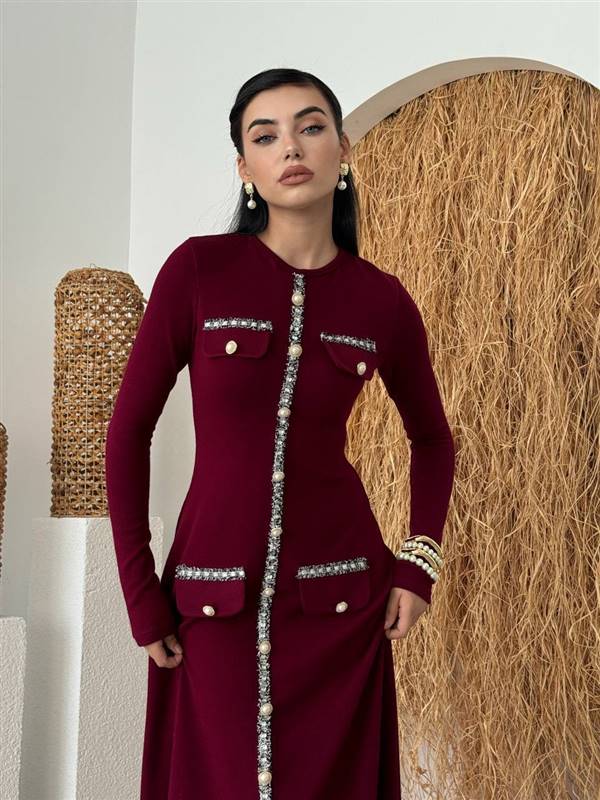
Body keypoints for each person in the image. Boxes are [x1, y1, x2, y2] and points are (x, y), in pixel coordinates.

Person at [105, 67, 455, 800]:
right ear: (245, 168)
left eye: (310, 127)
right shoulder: (198, 271)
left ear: (342, 149)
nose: (291, 147)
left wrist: (417, 567)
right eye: (265, 137)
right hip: (210, 600)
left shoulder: (382, 301)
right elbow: (128, 432)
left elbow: (432, 439)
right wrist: (139, 592)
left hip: (341, 606)